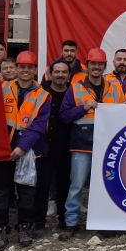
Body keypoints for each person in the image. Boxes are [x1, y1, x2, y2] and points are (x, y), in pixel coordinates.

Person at [59, 49, 125, 238]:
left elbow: (123, 113)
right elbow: (64, 116)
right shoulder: (75, 88)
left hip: (108, 147)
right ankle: (71, 222)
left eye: (100, 64)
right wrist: (83, 108)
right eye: (93, 64)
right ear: (87, 66)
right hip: (82, 145)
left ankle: (104, 222)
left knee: (106, 186)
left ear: (104, 66)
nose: (96, 67)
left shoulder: (114, 88)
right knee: (77, 185)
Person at [0, 51, 50, 251]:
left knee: (26, 190)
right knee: (0, 189)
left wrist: (21, 147)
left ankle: (25, 226)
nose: (25, 71)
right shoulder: (2, 88)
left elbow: (39, 125)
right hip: (2, 146)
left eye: (29, 67)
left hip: (28, 148)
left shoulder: (43, 95)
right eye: (22, 67)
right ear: (16, 68)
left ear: (35, 70)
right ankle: (0, 228)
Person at [43, 60, 74, 233]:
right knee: (42, 184)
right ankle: (38, 221)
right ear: (50, 74)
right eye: (57, 72)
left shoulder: (74, 91)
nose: (60, 75)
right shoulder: (41, 91)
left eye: (64, 72)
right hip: (44, 144)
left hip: (66, 145)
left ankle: (64, 218)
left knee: (64, 184)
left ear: (69, 75)